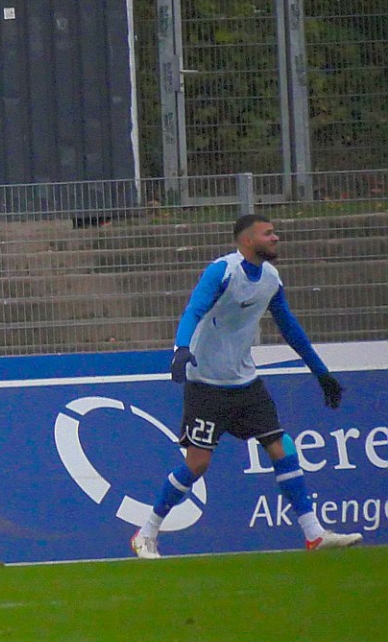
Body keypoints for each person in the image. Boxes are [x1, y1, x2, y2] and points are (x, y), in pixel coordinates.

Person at [131, 213, 362, 558]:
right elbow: (194, 310)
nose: (275, 237)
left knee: (281, 446)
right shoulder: (223, 271)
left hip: (246, 382)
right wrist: (180, 349)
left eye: (274, 232)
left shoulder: (270, 278)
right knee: (197, 464)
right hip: (206, 384)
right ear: (247, 240)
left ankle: (314, 534)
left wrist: (321, 372)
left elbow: (289, 327)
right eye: (268, 233)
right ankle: (146, 532)